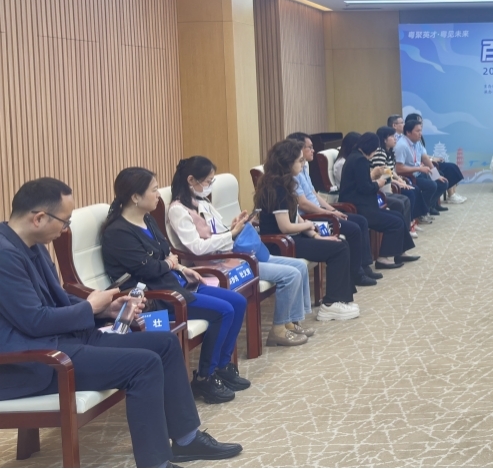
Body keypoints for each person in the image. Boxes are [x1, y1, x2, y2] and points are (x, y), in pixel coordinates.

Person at [0, 178, 244, 468]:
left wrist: (105, 310)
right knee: (143, 365)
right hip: (36, 360)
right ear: (39, 218)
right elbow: (34, 320)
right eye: (64, 222)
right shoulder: (4, 255)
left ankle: (187, 440)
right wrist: (90, 307)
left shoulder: (33, 244)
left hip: (64, 339)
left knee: (166, 343)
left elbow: (58, 300)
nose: (65, 230)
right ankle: (155, 464)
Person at [100, 167, 250, 405]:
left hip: (175, 283)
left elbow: (165, 254)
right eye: (153, 190)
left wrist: (180, 267)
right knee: (224, 311)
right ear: (135, 197)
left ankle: (222, 367)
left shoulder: (147, 218)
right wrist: (170, 264)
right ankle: (205, 376)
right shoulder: (117, 233)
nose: (158, 194)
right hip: (159, 297)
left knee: (238, 302)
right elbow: (148, 269)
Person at [167, 156, 313, 348]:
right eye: (208, 181)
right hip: (218, 265)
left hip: (232, 256)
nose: (210, 186)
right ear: (191, 180)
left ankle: (290, 323)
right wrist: (231, 234)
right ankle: (278, 330)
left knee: (299, 266)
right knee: (290, 275)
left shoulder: (202, 202)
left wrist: (234, 226)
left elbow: (218, 232)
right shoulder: (178, 210)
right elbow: (197, 247)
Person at [257, 139, 362, 321]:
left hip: (291, 238)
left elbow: (295, 216)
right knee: (338, 249)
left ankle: (340, 300)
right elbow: (285, 226)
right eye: (300, 161)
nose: (303, 164)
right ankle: (330, 305)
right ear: (287, 162)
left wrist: (315, 236)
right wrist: (308, 225)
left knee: (339, 244)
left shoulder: (286, 184)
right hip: (280, 244)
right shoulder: (276, 189)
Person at [286, 132, 383, 283]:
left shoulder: (304, 167)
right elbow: (303, 204)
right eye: (309, 147)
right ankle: (356, 274)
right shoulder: (293, 173)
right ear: (297, 149)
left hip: (320, 212)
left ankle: (364, 267)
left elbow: (314, 195)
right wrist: (328, 213)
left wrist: (332, 210)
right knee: (353, 229)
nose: (313, 150)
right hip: (310, 217)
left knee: (361, 221)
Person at [339, 132, 420, 269]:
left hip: (364, 204)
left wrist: (375, 178)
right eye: (375, 149)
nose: (375, 152)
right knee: (395, 222)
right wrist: (379, 183)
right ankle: (383, 258)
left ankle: (400, 252)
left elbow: (361, 183)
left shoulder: (355, 157)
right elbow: (365, 188)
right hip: (360, 207)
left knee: (398, 216)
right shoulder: (360, 161)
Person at [404, 113, 466, 204]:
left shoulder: (417, 139)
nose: (421, 125)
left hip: (424, 166)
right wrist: (430, 162)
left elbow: (423, 155)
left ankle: (450, 195)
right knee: (448, 170)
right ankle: (448, 196)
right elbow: (414, 159)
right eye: (419, 122)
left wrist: (432, 161)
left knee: (450, 169)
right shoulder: (403, 143)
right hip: (418, 170)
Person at [371, 125, 420, 234]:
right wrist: (398, 183)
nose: (395, 139)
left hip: (391, 182)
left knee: (414, 189)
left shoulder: (389, 151)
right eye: (392, 136)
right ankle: (407, 226)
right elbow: (382, 174)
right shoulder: (380, 153)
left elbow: (391, 170)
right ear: (384, 139)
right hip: (384, 186)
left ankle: (411, 221)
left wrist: (400, 180)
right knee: (409, 193)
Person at [395, 120, 446, 217]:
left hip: (419, 172)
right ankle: (421, 213)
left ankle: (427, 208)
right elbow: (399, 169)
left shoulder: (417, 142)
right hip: (409, 176)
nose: (420, 134)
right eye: (417, 131)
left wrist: (436, 175)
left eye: (421, 130)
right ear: (408, 132)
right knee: (431, 186)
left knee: (442, 182)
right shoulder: (402, 145)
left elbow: (425, 158)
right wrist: (418, 169)